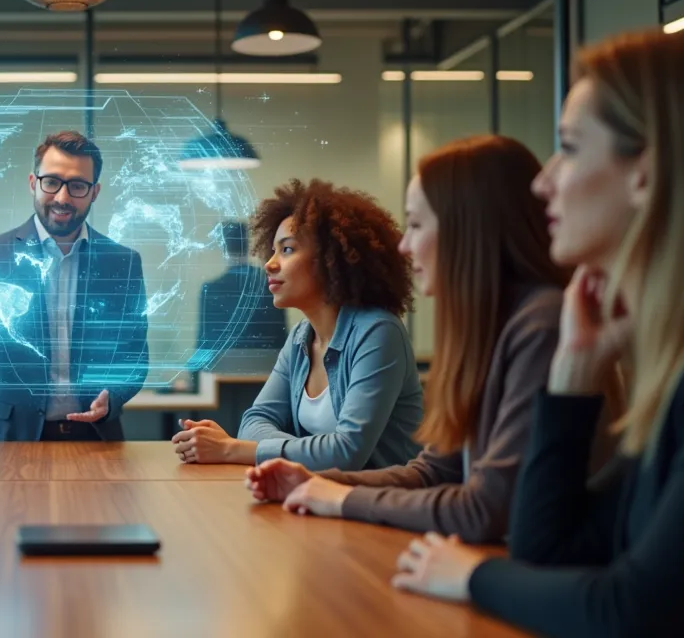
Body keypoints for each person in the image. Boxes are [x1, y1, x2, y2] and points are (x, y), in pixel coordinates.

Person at [389, 28, 684, 637]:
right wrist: (572, 379)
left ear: (646, 171)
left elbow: (635, 610)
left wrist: (470, 576)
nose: (545, 181)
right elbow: (546, 548)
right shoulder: (673, 374)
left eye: (569, 147)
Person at [245, 135, 572, 543]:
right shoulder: (489, 328)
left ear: (466, 229)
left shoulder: (540, 325)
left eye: (416, 225)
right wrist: (314, 481)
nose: (404, 245)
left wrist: (339, 497)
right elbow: (436, 471)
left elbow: (485, 509)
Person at [173, 179, 422, 470]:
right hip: (318, 499)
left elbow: (346, 452)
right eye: (273, 250)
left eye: (287, 250)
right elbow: (253, 421)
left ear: (332, 260)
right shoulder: (300, 338)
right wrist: (295, 452)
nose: (270, 263)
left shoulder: (378, 332)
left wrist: (231, 450)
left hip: (379, 508)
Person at [0, 131, 149, 441]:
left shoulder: (121, 263)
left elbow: (135, 356)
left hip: (96, 438)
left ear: (94, 192)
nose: (62, 197)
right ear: (34, 182)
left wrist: (114, 396)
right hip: (13, 440)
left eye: (78, 186)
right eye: (52, 182)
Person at [191, 220, 288, 369]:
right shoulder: (268, 283)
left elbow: (204, 345)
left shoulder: (211, 290)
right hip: (268, 374)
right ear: (247, 244)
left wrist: (194, 383)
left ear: (223, 247)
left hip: (220, 379)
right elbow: (281, 338)